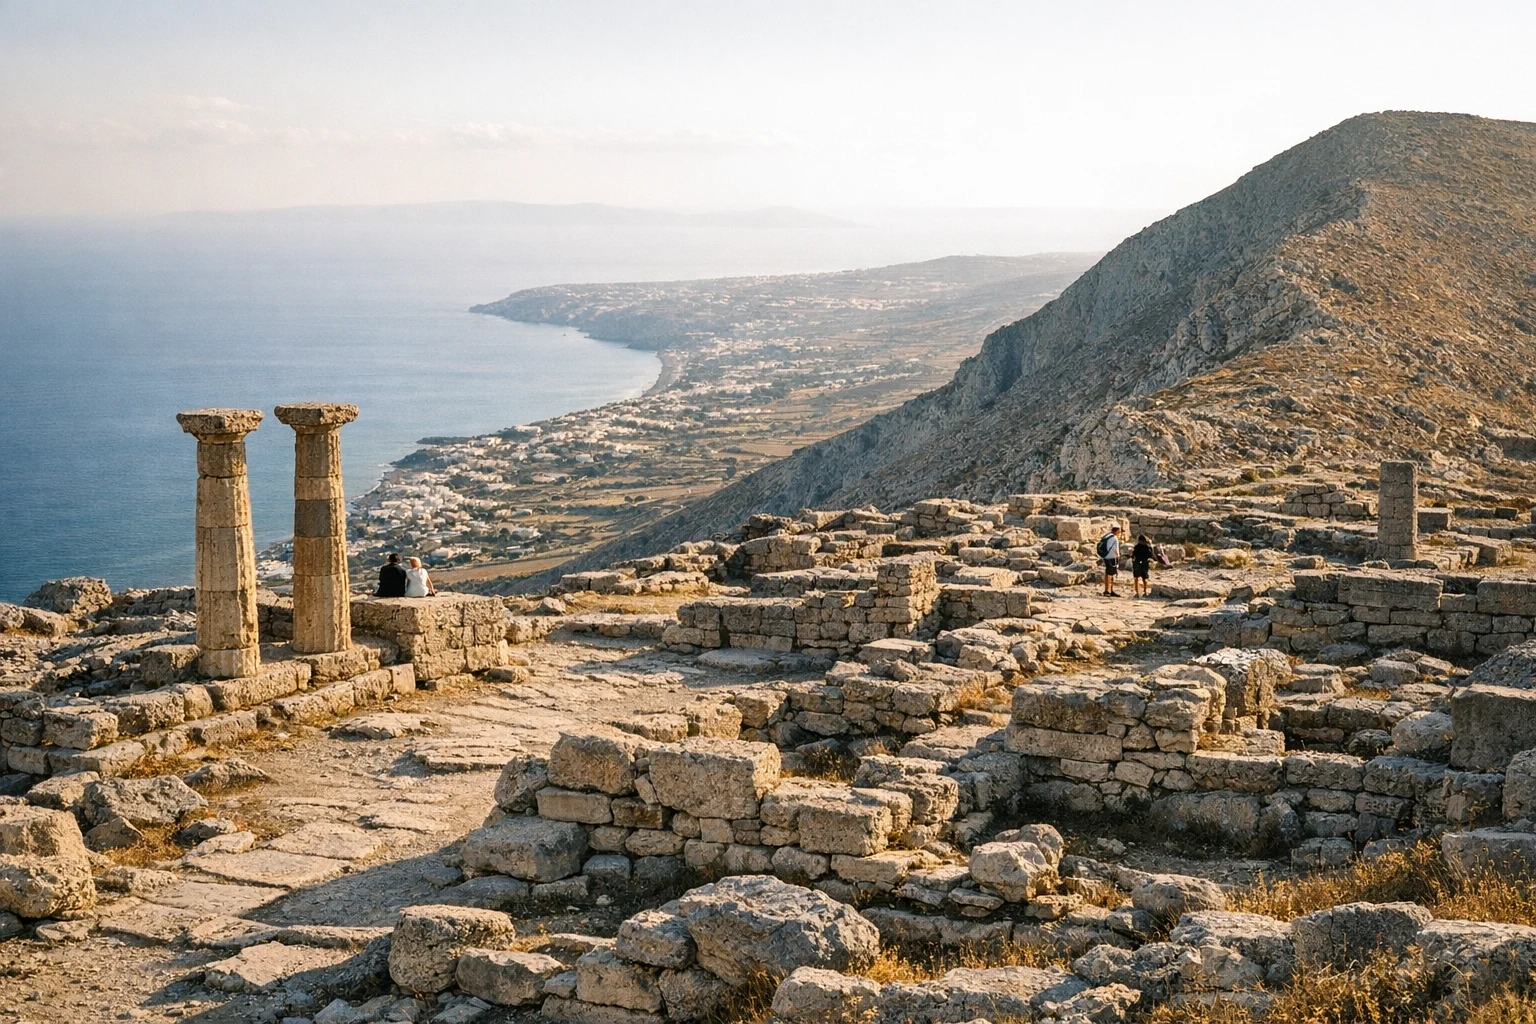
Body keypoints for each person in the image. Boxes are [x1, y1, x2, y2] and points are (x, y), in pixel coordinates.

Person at [1096, 525, 1123, 597]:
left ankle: (1107, 589)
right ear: (1117, 530)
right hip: (1112, 557)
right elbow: (1115, 549)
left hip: (1106, 556)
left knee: (1107, 573)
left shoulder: (1107, 536)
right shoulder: (1114, 538)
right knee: (1111, 574)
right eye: (1119, 530)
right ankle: (1109, 590)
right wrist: (1118, 556)